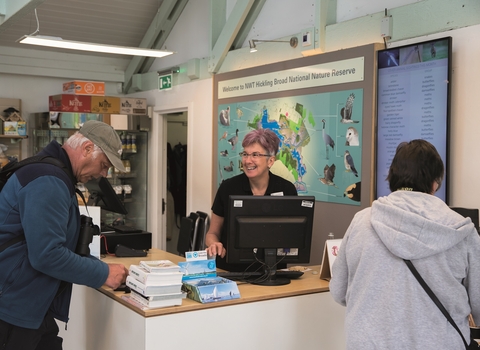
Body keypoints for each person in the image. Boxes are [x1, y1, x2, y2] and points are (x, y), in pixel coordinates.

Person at [329, 139, 480, 349]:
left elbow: (338, 290)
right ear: (435, 183)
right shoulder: (463, 232)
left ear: (392, 178)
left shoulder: (361, 221)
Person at [0, 120, 129, 350]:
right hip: (13, 308)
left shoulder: (56, 175)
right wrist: (103, 272)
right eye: (104, 164)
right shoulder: (48, 180)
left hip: (33, 304)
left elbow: (57, 247)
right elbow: (47, 255)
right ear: (87, 149)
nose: (104, 174)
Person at [205, 128, 297, 272]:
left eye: (255, 155)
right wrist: (214, 244)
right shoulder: (228, 188)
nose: (248, 161)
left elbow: (293, 236)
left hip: (273, 273)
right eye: (245, 154)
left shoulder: (287, 190)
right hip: (230, 272)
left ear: (270, 161)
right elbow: (212, 234)